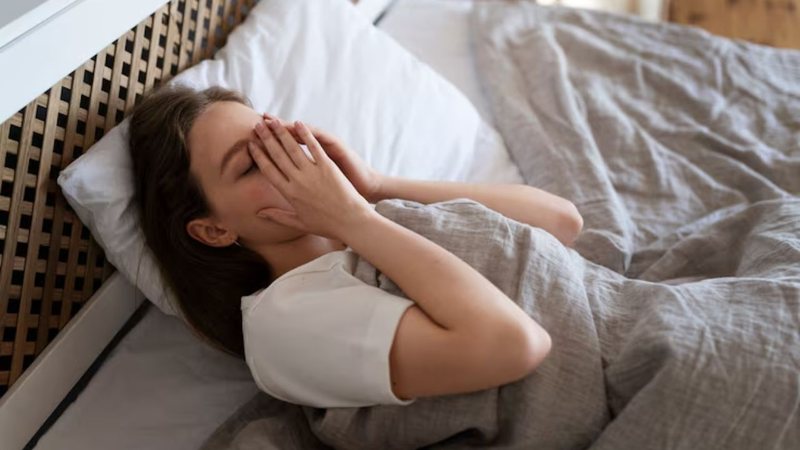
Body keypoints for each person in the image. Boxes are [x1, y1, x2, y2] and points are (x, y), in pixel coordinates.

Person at [127, 84, 583, 407]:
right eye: (252, 165)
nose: (289, 163)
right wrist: (354, 218)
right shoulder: (283, 322)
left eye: (281, 141)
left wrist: (377, 187)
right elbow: (514, 345)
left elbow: (561, 223)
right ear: (213, 230)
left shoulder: (372, 222)